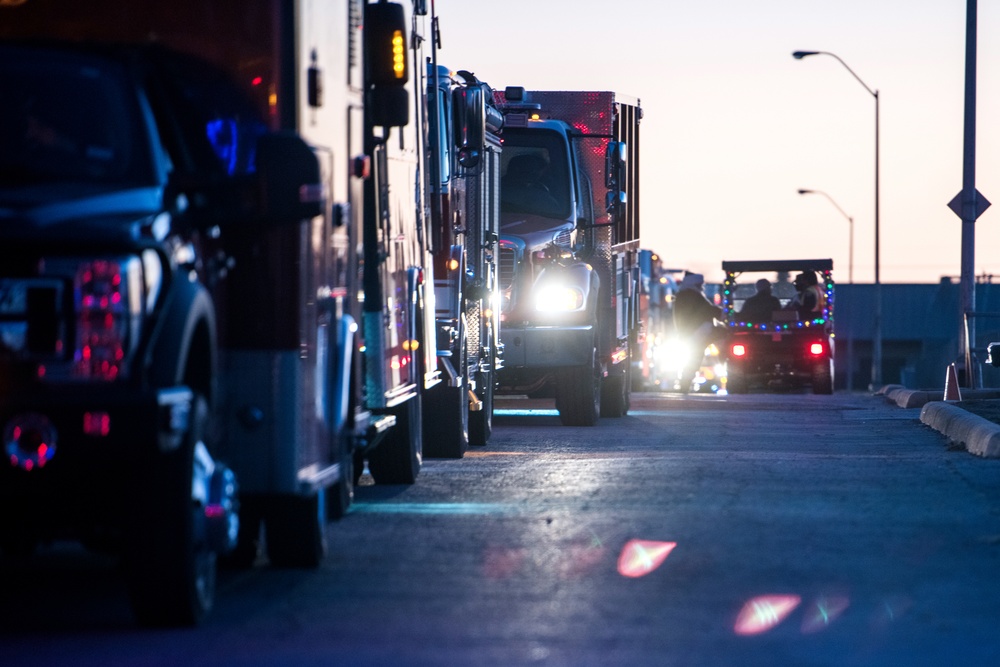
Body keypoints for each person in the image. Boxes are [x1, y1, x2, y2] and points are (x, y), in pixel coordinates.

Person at [672, 272, 725, 391]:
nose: (702, 286)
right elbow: (706, 310)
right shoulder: (691, 295)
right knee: (693, 360)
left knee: (692, 361)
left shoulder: (686, 295)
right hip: (696, 333)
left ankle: (685, 384)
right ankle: (685, 384)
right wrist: (722, 313)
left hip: (691, 334)